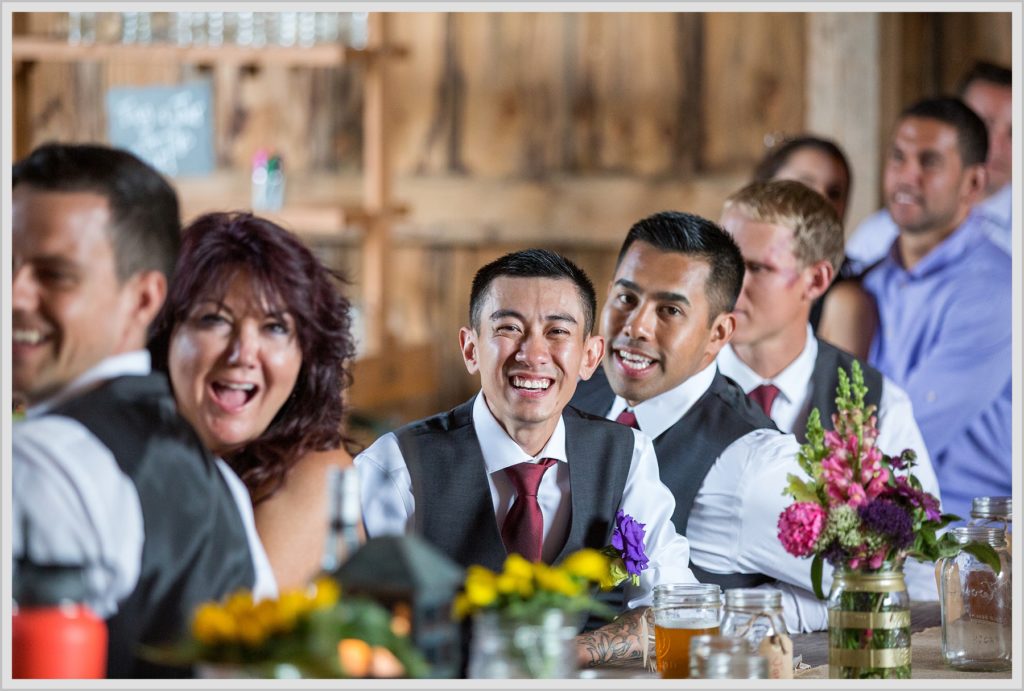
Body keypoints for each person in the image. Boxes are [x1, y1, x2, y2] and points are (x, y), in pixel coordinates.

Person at [355, 248, 695, 666]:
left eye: (557, 332)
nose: (533, 355)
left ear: (589, 356)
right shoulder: (394, 468)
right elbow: (359, 626)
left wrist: (564, 654)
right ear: (470, 348)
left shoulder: (627, 456)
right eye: (510, 328)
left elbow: (679, 607)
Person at [11, 143, 274, 677]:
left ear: (144, 300)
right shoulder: (218, 481)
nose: (14, 294)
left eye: (56, 275)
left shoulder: (36, 463)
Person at [570, 211, 837, 633]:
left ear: (718, 334)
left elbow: (862, 589)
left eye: (670, 310)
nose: (636, 326)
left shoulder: (755, 466)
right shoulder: (573, 392)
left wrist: (722, 618)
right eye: (626, 298)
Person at [715, 180, 941, 600]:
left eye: (757, 268)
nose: (730, 284)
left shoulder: (880, 404)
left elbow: (922, 573)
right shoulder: (680, 382)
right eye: (724, 263)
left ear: (816, 279)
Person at [150, 211, 358, 590]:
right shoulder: (137, 451)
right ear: (164, 337)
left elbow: (231, 633)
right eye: (215, 320)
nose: (243, 353)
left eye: (275, 328)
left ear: (305, 356)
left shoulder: (317, 475)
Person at [861, 97, 1010, 521]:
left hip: (968, 537)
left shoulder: (997, 290)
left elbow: (909, 436)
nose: (907, 176)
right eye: (898, 158)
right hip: (879, 520)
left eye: (929, 162)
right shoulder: (873, 274)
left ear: (973, 184)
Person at [847, 62, 1012, 269]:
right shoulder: (876, 236)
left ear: (975, 180)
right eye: (983, 125)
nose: (996, 145)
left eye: (1014, 133)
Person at [753, 135, 877, 358]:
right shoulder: (726, 272)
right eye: (805, 185)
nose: (821, 200)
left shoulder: (845, 304)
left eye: (835, 193)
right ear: (764, 188)